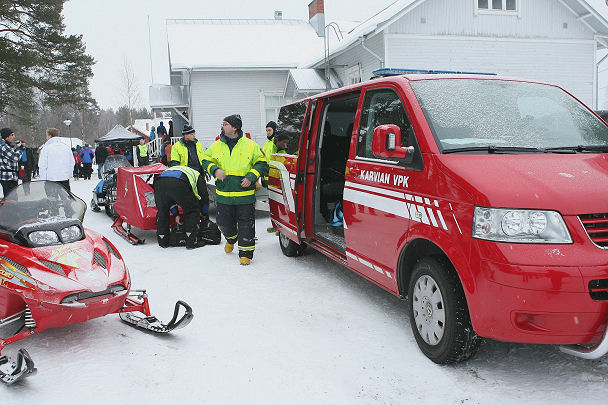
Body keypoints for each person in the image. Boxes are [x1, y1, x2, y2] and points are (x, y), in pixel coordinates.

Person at [202, 114, 269, 266]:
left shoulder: (250, 145)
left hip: (244, 196)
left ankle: (245, 254)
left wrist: (252, 176)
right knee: (223, 223)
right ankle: (231, 239)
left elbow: (262, 163)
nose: (222, 126)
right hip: (224, 195)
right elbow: (205, 159)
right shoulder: (217, 145)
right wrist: (215, 170)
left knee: (246, 224)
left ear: (234, 127)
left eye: (225, 124)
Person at [154, 165, 208, 249]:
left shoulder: (182, 170)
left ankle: (163, 240)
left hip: (159, 183)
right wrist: (204, 213)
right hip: (179, 182)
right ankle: (192, 241)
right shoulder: (198, 176)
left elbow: (170, 199)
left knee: (162, 211)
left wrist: (176, 214)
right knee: (192, 210)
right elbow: (204, 198)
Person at [262, 132, 289, 233]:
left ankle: (281, 227)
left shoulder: (283, 151)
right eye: (284, 142)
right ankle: (275, 225)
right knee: (273, 205)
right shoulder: (270, 147)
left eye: (287, 143)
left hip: (279, 181)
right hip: (269, 180)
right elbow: (265, 162)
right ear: (278, 141)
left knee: (282, 206)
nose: (285, 144)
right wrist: (264, 178)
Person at [39, 128, 75, 192]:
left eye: (46, 135)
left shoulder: (46, 148)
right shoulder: (66, 147)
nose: (46, 137)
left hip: (51, 179)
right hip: (64, 178)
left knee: (52, 200)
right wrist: (69, 174)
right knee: (66, 199)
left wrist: (43, 178)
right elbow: (71, 163)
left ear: (50, 136)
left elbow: (42, 165)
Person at [0, 128, 25, 198]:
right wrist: (20, 149)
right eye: (12, 135)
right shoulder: (3, 146)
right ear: (7, 137)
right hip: (7, 177)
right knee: (10, 199)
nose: (14, 137)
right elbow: (15, 158)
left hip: (12, 176)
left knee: (12, 198)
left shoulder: (7, 145)